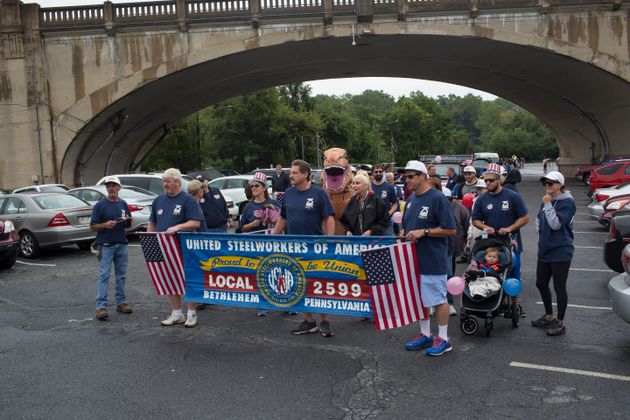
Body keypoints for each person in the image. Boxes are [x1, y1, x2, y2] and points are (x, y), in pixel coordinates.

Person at [272, 159, 336, 337]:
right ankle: (309, 321)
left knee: (319, 284)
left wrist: (329, 243)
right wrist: (272, 238)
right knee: (299, 284)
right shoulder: (288, 193)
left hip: (315, 249)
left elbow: (328, 218)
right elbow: (282, 218)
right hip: (293, 249)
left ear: (305, 174)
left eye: (294, 173)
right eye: (290, 172)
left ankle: (325, 321)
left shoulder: (319, 193)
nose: (290, 176)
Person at [400, 160, 456, 357]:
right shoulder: (411, 199)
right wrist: (403, 235)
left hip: (433, 258)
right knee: (420, 298)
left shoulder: (437, 198)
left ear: (423, 176)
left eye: (411, 176)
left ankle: (444, 338)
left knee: (439, 299)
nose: (407, 179)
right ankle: (425, 333)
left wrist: (424, 231)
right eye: (406, 176)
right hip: (414, 259)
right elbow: (407, 226)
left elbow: (450, 229)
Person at [148, 168, 204, 328]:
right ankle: (176, 313)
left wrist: (177, 227)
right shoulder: (158, 200)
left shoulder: (188, 200)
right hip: (165, 247)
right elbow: (152, 222)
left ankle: (192, 314)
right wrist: (150, 239)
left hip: (184, 247)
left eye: (168, 181)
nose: (165, 184)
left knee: (188, 280)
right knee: (169, 279)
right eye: (163, 181)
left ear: (177, 182)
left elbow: (195, 223)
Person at [471, 163, 529, 314]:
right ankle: (496, 302)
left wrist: (509, 228)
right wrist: (484, 227)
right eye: (486, 180)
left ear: (499, 180)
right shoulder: (482, 199)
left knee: (513, 273)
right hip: (490, 244)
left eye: (491, 180)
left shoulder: (512, 196)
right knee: (492, 272)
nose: (488, 183)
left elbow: (525, 218)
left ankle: (514, 304)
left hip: (511, 242)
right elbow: (475, 220)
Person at [532, 171, 576, 336]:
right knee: (541, 283)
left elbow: (556, 224)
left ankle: (560, 322)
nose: (547, 186)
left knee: (559, 287)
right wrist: (542, 237)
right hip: (545, 249)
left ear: (560, 185)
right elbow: (538, 219)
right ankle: (549, 316)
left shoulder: (568, 203)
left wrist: (548, 205)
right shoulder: (546, 200)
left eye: (551, 183)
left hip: (561, 250)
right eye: (546, 183)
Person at [90, 175, 133, 320]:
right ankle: (101, 306)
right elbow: (93, 227)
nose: (111, 188)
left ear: (119, 188)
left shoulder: (123, 204)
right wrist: (104, 225)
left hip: (121, 243)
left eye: (114, 185)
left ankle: (121, 303)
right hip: (106, 245)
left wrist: (129, 221)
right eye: (109, 186)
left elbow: (127, 223)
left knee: (121, 275)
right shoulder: (100, 205)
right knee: (104, 275)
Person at [239, 172, 281, 316]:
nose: (253, 188)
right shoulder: (248, 207)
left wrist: (275, 220)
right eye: (252, 186)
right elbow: (241, 228)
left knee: (279, 273)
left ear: (264, 188)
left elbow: (284, 222)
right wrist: (252, 224)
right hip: (256, 245)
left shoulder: (275, 203)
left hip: (274, 244)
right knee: (260, 274)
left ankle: (286, 304)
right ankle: (262, 304)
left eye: (256, 185)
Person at [444, 187, 469, 315]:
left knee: (449, 274)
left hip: (452, 246)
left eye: (448, 199)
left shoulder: (459, 207)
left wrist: (463, 240)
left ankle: (450, 303)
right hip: (436, 247)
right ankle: (434, 304)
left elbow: (466, 223)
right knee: (434, 276)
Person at [340, 172, 390, 236]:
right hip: (356, 241)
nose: (353, 186)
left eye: (357, 183)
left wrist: (371, 231)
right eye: (353, 183)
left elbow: (385, 221)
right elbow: (344, 220)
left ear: (366, 185)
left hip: (373, 241)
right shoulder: (352, 201)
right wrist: (348, 230)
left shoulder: (377, 200)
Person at [371, 164, 399, 235]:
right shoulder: (369, 187)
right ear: (372, 173)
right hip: (372, 222)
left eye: (380, 171)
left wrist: (389, 213)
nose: (378, 173)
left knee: (388, 243)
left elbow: (395, 204)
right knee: (373, 244)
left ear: (383, 173)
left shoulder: (389, 187)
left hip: (386, 222)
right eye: (376, 172)